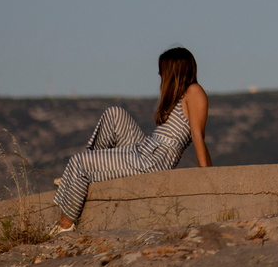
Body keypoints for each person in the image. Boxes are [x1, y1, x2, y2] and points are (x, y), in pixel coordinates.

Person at [51, 46, 211, 232]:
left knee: (78, 161)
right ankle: (79, 177)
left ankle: (65, 226)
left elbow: (197, 135)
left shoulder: (194, 91)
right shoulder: (180, 95)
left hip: (155, 159)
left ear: (174, 71)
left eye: (162, 69)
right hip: (146, 149)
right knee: (114, 114)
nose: (159, 73)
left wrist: (207, 175)